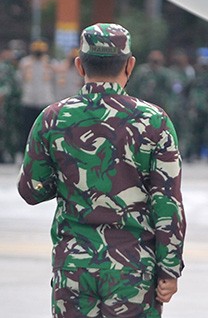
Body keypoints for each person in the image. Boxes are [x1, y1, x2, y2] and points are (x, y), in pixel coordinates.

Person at [17, 23, 186, 317]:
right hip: (133, 268)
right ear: (130, 65)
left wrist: (68, 175)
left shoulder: (53, 118)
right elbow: (167, 201)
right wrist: (169, 268)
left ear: (79, 65)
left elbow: (31, 190)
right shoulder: (153, 120)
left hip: (73, 268)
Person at [18, 39, 56, 147]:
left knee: (45, 129)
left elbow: (56, 82)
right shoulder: (25, 63)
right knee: (27, 129)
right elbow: (20, 79)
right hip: (29, 100)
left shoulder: (50, 63)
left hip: (45, 100)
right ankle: (25, 152)